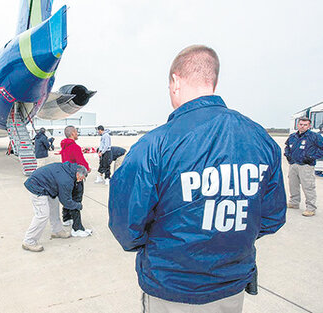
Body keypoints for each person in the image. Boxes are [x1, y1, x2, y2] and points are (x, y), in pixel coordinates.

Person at [108, 45, 286, 312]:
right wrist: (226, 238)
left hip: (171, 289)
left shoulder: (154, 145)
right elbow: (272, 218)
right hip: (230, 288)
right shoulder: (261, 139)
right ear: (213, 81)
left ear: (176, 81)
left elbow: (126, 227)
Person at [22, 162, 88, 252]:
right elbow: (66, 202)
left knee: (54, 205)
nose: (80, 181)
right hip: (36, 186)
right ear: (77, 173)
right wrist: (78, 206)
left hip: (48, 187)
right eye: (81, 178)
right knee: (42, 215)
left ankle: (57, 231)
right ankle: (29, 241)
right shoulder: (67, 180)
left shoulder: (69, 169)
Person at [284, 117, 323, 217]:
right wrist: (288, 155)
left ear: (309, 126)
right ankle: (294, 202)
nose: (302, 126)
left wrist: (311, 157)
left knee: (308, 187)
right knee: (293, 184)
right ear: (297, 125)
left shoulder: (314, 136)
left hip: (306, 166)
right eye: (301, 124)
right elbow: (287, 147)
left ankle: (311, 208)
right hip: (293, 165)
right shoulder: (293, 136)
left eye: (305, 125)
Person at [60, 125, 93, 237]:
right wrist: (87, 169)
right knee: (76, 200)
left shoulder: (64, 146)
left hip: (67, 176)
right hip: (76, 177)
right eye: (76, 132)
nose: (77, 134)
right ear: (73, 133)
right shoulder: (75, 147)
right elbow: (81, 162)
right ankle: (77, 228)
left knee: (68, 197)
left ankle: (66, 218)